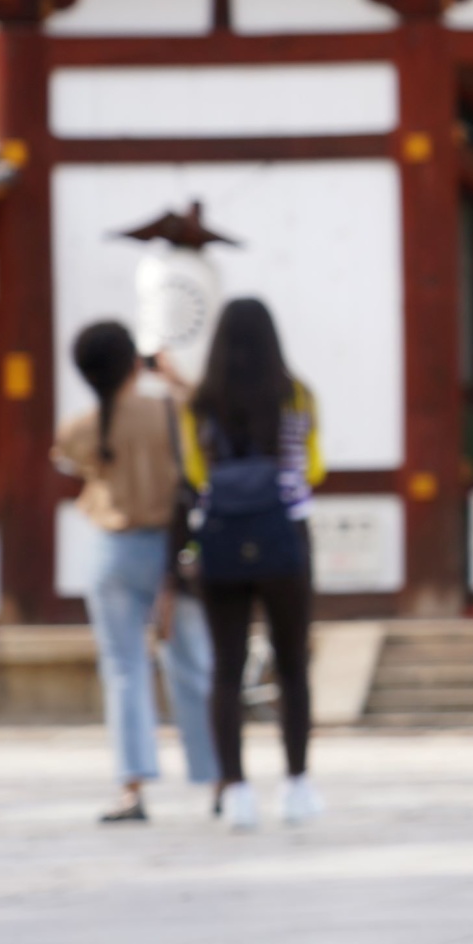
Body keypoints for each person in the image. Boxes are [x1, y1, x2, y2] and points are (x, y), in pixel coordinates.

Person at [53, 321, 221, 824]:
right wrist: (173, 375)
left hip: (113, 552)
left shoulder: (81, 426)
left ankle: (132, 787)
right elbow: (207, 415)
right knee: (192, 663)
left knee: (123, 668)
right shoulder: (168, 409)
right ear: (133, 362)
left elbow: (68, 460)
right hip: (171, 553)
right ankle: (214, 778)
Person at [183, 298, 323, 830]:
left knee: (226, 667)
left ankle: (237, 790)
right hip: (285, 533)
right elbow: (313, 464)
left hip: (221, 537)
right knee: (291, 664)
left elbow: (195, 476)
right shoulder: (297, 394)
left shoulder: (200, 402)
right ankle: (297, 783)